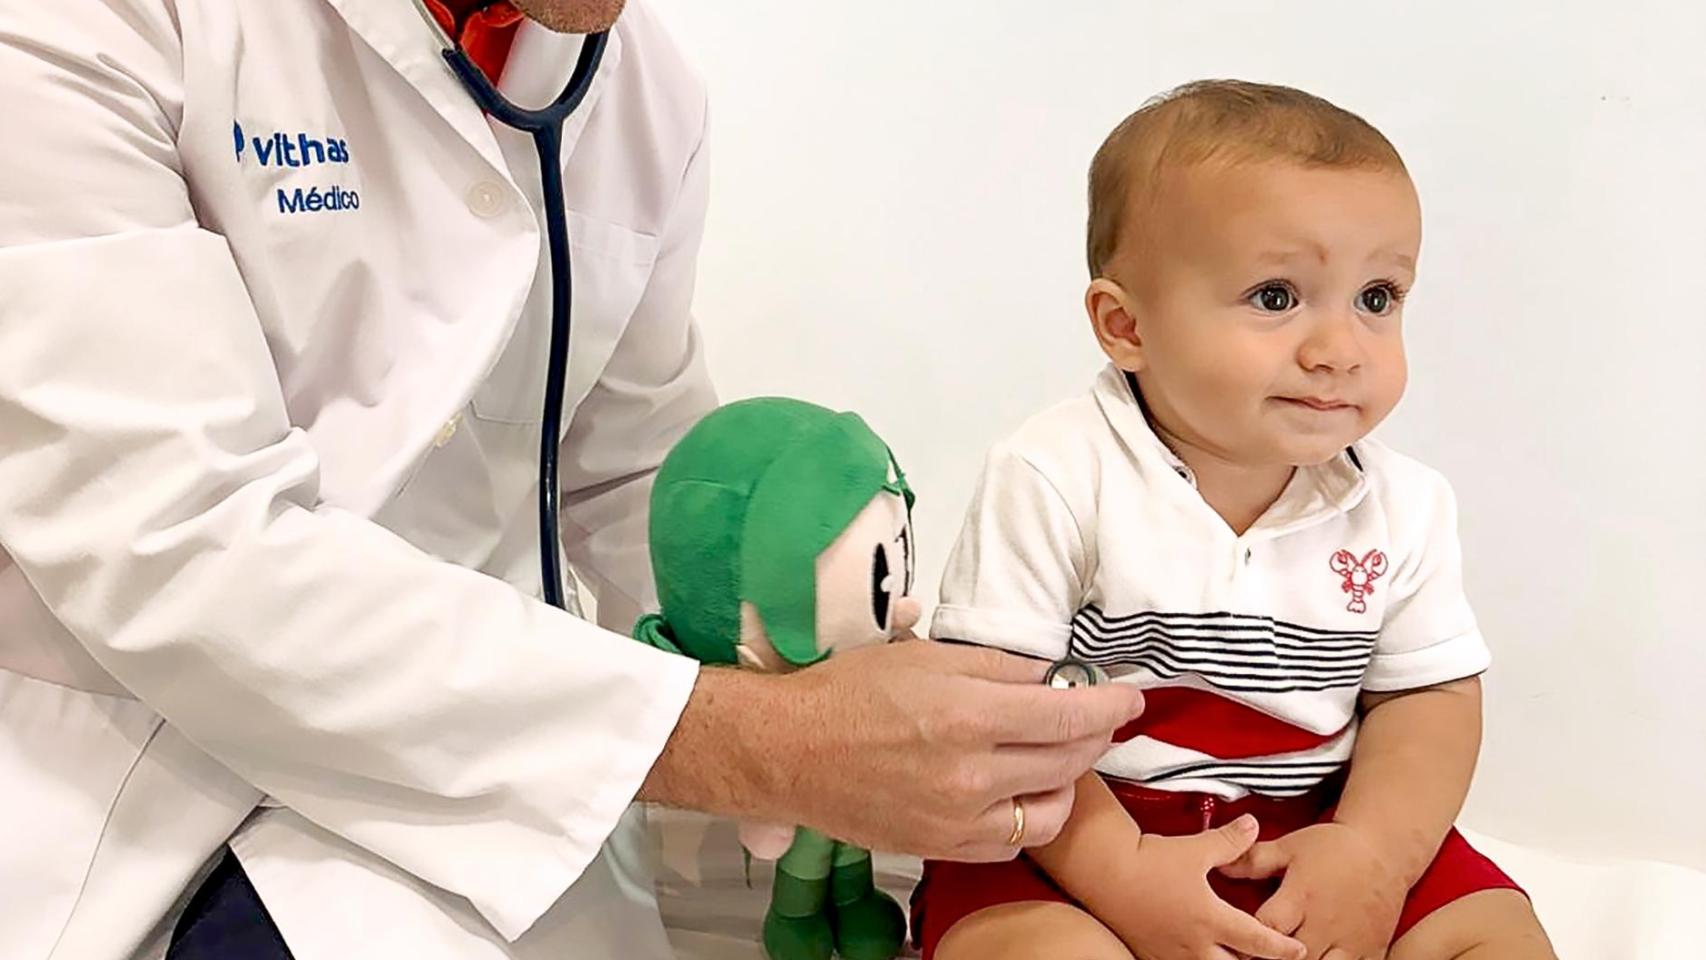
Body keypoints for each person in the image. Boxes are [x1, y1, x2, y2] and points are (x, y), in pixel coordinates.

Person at [0, 2, 1143, 959]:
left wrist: (825, 649)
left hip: (481, 758)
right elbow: (172, 542)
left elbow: (642, 473)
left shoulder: (640, 86)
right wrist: (770, 742)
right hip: (134, 777)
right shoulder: (93, 23)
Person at [909, 80, 1558, 960]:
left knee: (1498, 937)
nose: (1338, 349)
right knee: (1036, 949)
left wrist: (1370, 853)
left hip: (1318, 814)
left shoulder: (1403, 506)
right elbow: (1000, 713)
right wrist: (1127, 871)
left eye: (1377, 297)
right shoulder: (1055, 473)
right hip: (1078, 824)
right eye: (1276, 296)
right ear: (1125, 324)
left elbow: (1429, 699)